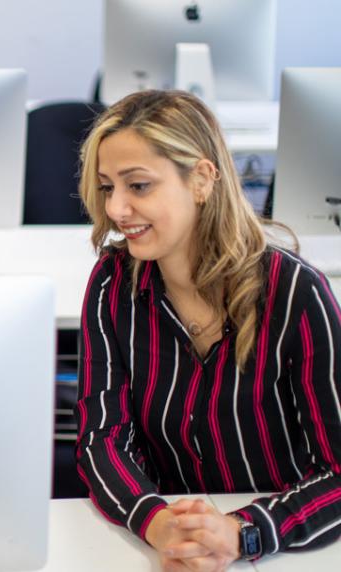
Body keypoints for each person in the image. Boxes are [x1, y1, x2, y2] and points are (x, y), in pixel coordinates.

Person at [76, 89, 341, 571]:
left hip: (280, 550)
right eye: (107, 186)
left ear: (201, 179)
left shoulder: (295, 291)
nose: (115, 209)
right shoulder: (113, 283)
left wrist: (243, 532)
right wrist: (159, 523)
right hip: (168, 546)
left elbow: (340, 471)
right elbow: (102, 439)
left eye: (138, 186)